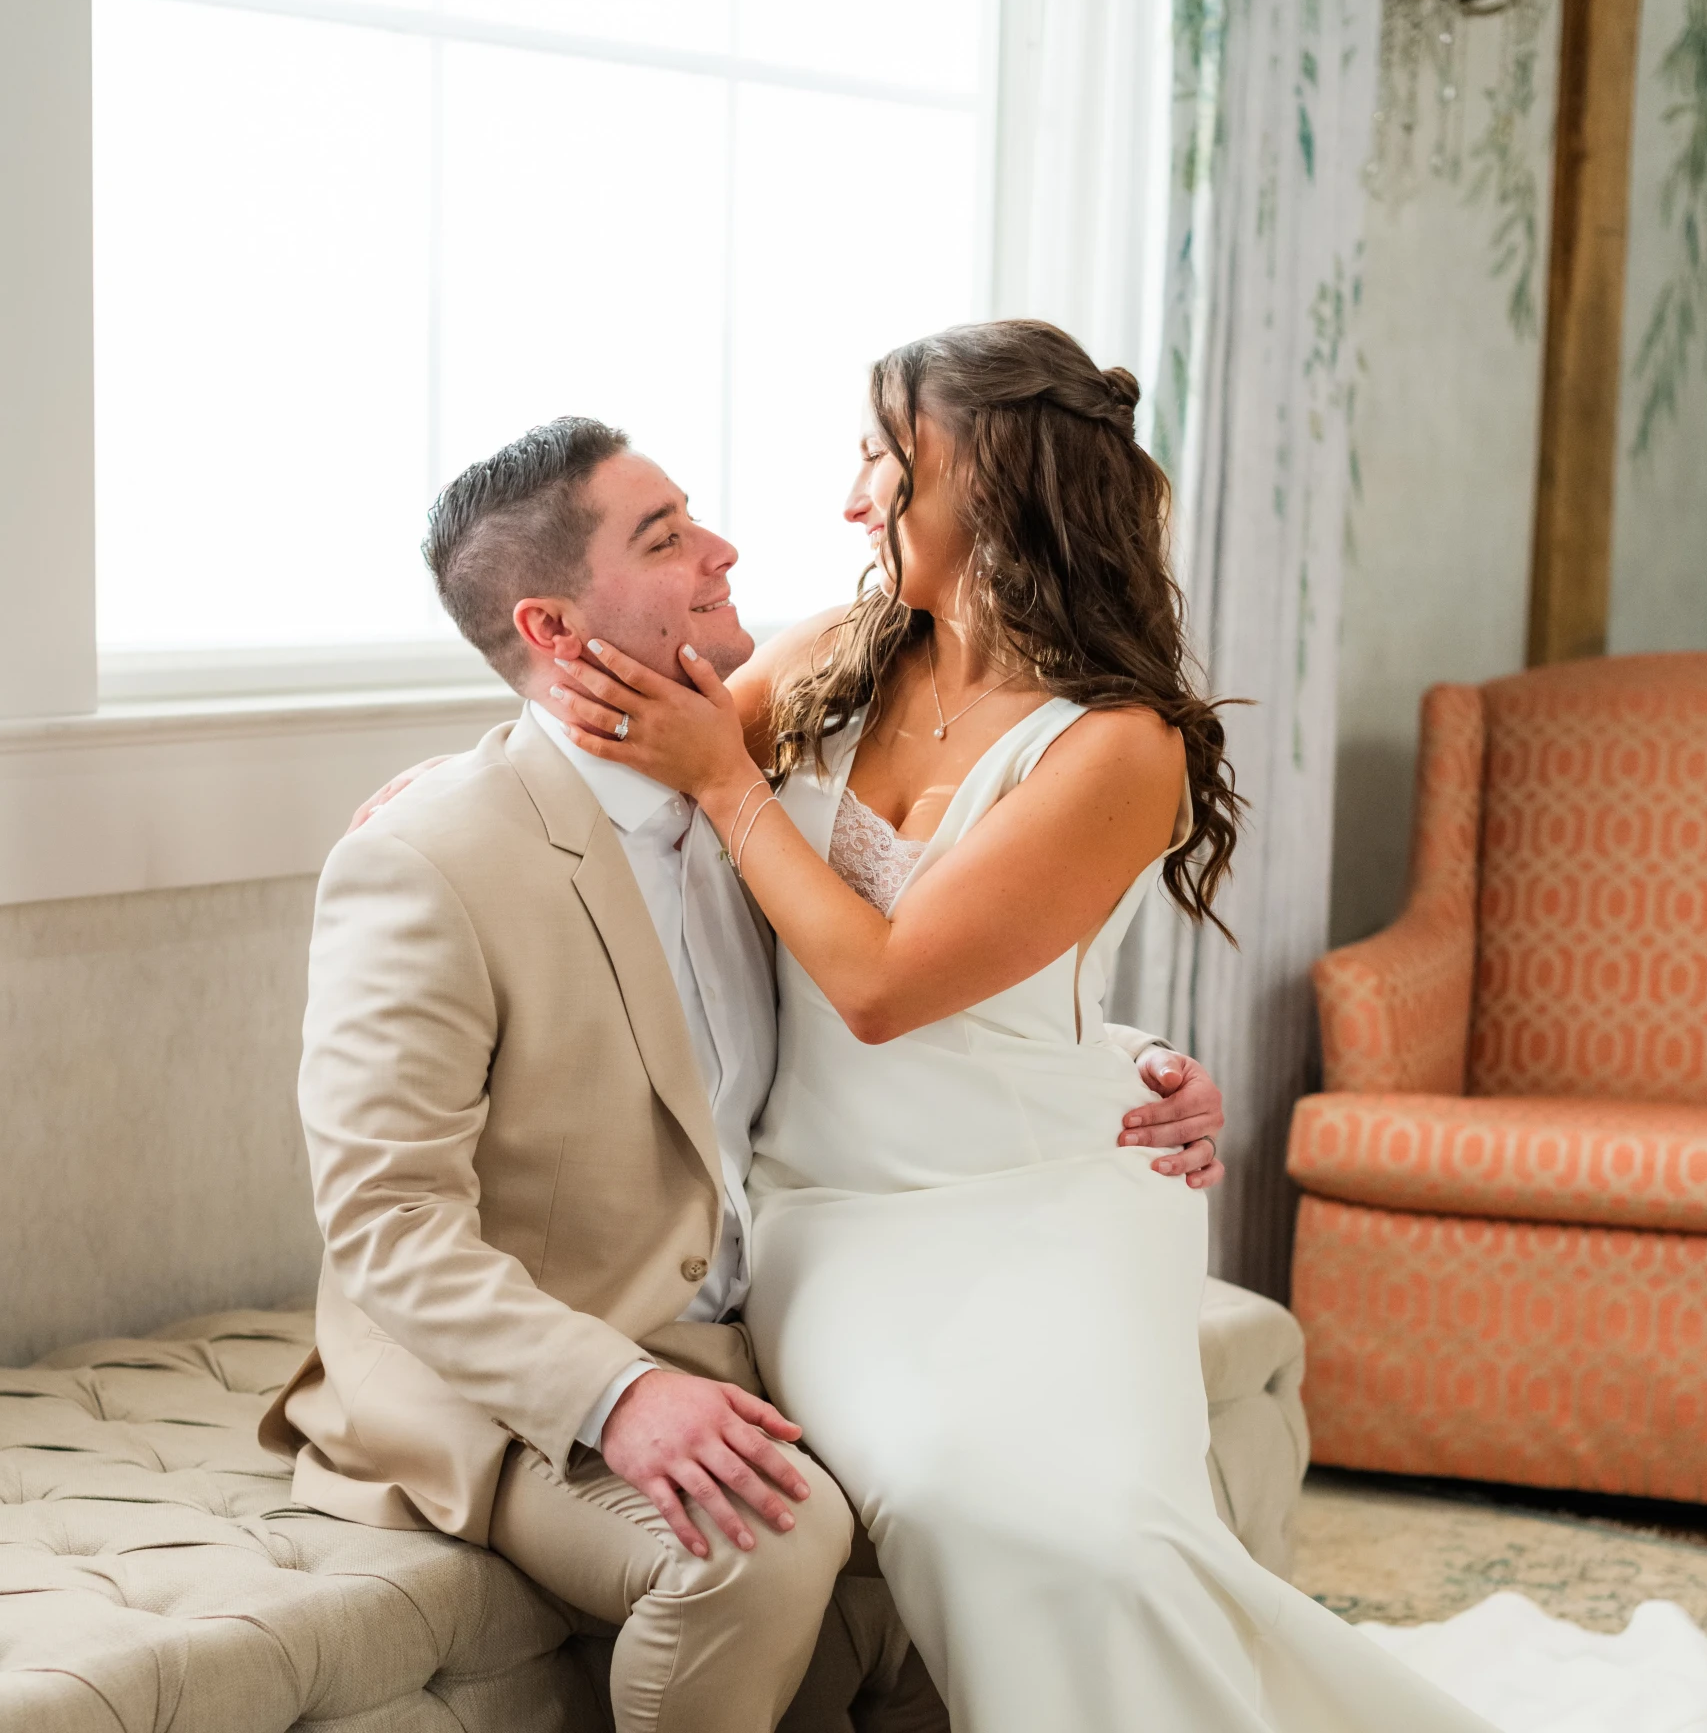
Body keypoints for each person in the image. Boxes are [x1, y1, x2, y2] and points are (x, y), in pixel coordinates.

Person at [540, 319, 1494, 1732]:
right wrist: (452, 803)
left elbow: (883, 985)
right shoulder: (831, 657)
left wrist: (735, 790)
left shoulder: (1118, 744)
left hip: (1048, 1200)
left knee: (1106, 1536)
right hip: (844, 1213)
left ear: (980, 483)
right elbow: (591, 751)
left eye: (879, 457)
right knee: (938, 1487)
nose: (852, 496)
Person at [262, 410, 1226, 1733]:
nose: (728, 548)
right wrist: (619, 1395)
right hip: (521, 1374)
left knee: (1035, 1500)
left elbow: (884, 991)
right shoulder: (428, 862)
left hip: (767, 1304)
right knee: (766, 1542)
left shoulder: (750, 789)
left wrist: (1133, 1065)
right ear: (554, 631)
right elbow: (386, 1224)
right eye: (667, 537)